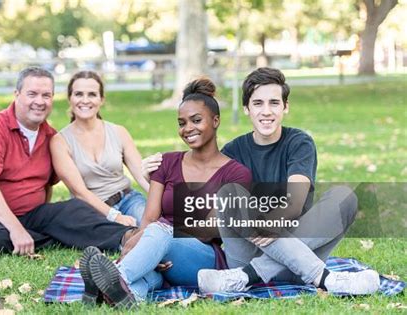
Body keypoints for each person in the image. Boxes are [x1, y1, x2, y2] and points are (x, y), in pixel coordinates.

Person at [144, 68, 380, 295]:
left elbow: (295, 203)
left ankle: (247, 277)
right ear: (246, 108)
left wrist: (270, 222)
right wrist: (157, 185)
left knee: (344, 196)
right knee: (230, 194)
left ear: (285, 107)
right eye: (258, 103)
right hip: (246, 254)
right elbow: (207, 219)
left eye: (274, 103)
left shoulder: (299, 143)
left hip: (294, 261)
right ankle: (327, 279)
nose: (266, 111)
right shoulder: (232, 152)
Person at [79, 78, 251, 308]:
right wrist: (149, 249)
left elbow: (209, 230)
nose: (187, 128)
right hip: (156, 247)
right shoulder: (167, 163)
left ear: (216, 120)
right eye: (181, 123)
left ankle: (114, 277)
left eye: (196, 120)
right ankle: (112, 296)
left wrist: (158, 241)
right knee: (146, 279)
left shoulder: (237, 174)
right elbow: (149, 218)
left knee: (160, 232)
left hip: (202, 258)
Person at [0, 67, 138, 255]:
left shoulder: (50, 137)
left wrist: (39, 215)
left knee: (74, 209)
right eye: (32, 94)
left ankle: (128, 239)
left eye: (46, 95)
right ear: (17, 94)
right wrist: (16, 229)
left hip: (27, 216)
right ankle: (55, 237)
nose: (39, 101)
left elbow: (46, 185)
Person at [50, 71, 148, 227]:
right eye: (78, 94)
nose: (85, 100)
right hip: (92, 211)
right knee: (125, 237)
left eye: (92, 94)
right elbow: (79, 192)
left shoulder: (118, 132)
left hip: (129, 200)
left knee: (156, 228)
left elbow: (142, 175)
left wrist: (164, 199)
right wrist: (115, 216)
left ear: (101, 99)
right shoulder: (60, 142)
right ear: (70, 98)